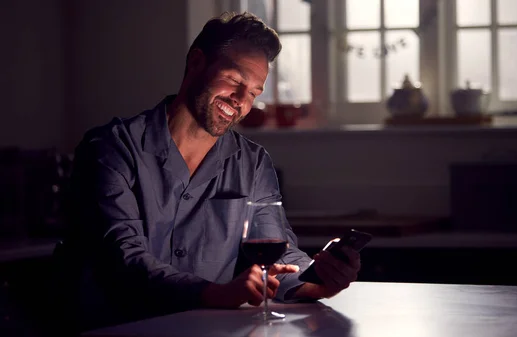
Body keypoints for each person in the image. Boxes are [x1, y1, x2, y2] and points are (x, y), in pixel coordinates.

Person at [59, 11, 361, 332]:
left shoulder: (254, 163)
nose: (242, 101)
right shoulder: (110, 148)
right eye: (234, 80)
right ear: (196, 62)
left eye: (255, 93)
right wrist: (217, 293)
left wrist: (318, 281)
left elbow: (277, 255)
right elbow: (124, 259)